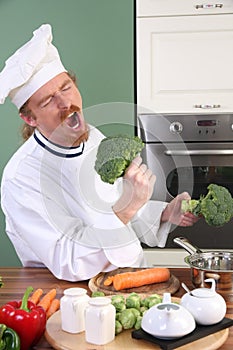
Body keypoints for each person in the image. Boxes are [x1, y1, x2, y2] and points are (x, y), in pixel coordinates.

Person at [0, 24, 199, 281]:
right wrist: (127, 209)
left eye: (66, 87)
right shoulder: (21, 178)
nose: (65, 103)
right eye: (48, 101)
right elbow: (67, 260)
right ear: (30, 119)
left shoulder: (94, 137)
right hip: (73, 295)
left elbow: (113, 205)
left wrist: (163, 213)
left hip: (133, 281)